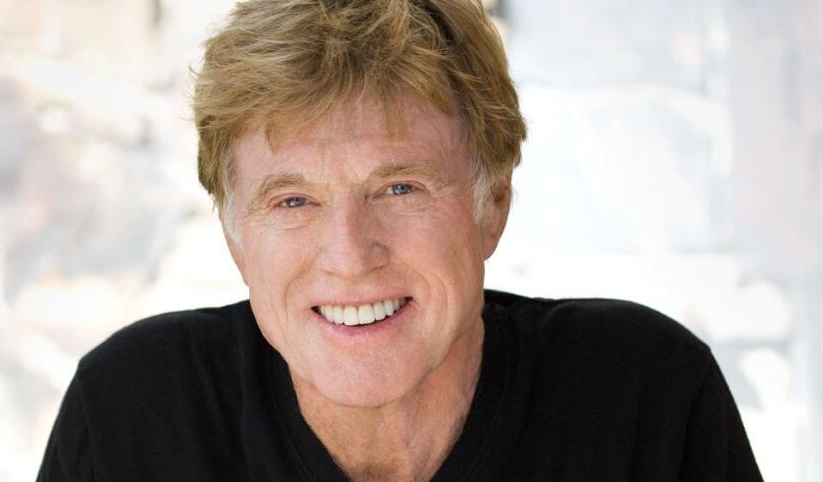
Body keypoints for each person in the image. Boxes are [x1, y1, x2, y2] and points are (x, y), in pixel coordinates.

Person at [38, 1, 763, 481]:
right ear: (236, 238)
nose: (351, 255)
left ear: (492, 206)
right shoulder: (132, 416)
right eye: (293, 201)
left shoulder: (645, 399)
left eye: (400, 188)